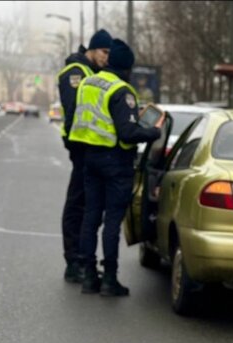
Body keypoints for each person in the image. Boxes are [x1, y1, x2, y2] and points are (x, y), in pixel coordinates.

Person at [69, 39, 162, 297]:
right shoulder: (122, 90)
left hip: (90, 158)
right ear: (127, 67)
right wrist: (153, 132)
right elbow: (128, 132)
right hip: (115, 162)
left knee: (90, 217)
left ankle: (89, 275)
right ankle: (109, 278)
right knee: (111, 221)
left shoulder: (88, 82)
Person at [57, 29, 112, 284]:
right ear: (91, 49)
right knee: (77, 202)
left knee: (87, 203)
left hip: (91, 147)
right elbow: (73, 110)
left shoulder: (93, 73)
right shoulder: (76, 72)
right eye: (104, 52)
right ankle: (73, 262)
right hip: (81, 146)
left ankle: (81, 259)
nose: (106, 57)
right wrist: (73, 143)